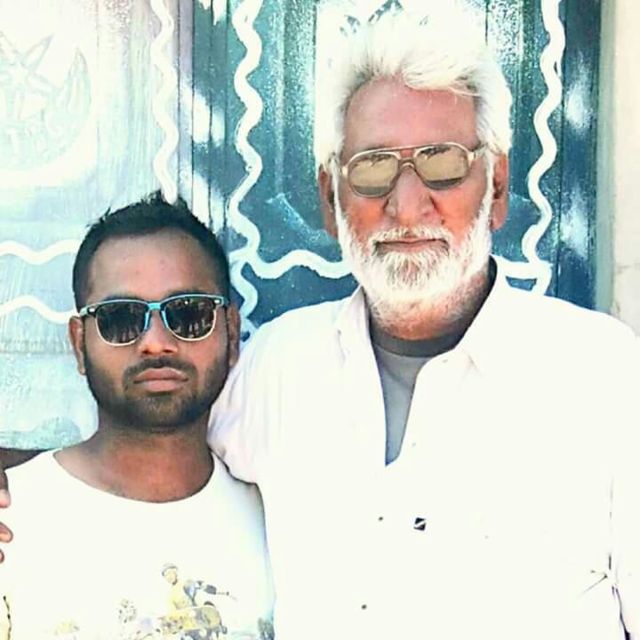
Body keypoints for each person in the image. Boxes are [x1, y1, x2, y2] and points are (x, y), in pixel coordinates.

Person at [1, 4, 640, 639]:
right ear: (330, 201)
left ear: (496, 187)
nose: (407, 204)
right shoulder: (278, 367)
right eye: (373, 169)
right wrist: (15, 481)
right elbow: (151, 438)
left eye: (442, 163)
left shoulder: (603, 378)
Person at [0, 195, 274, 639]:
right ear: (78, 343)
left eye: (189, 313)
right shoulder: (13, 520)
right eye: (121, 319)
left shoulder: (283, 521)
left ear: (230, 331)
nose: (155, 342)